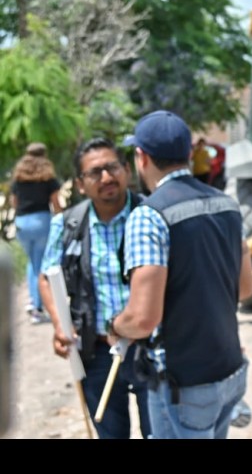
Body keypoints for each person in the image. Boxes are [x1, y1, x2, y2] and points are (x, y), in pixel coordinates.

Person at [107, 110, 252, 439]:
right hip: (229, 372)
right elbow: (244, 288)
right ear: (189, 153)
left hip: (184, 385)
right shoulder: (228, 205)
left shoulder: (149, 216)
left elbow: (143, 319)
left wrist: (114, 326)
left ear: (142, 157)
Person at [38, 138, 151, 439]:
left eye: (112, 167)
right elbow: (46, 277)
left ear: (127, 170)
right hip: (96, 351)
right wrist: (60, 326)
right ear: (80, 184)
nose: (106, 177)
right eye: (95, 172)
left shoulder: (151, 215)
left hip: (150, 348)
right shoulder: (67, 225)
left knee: (159, 432)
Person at [10, 142, 63, 324]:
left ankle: (33, 301)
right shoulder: (48, 177)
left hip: (22, 222)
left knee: (32, 262)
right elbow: (55, 202)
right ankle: (37, 307)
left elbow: (14, 202)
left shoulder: (18, 178)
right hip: (41, 221)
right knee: (40, 264)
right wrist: (61, 220)